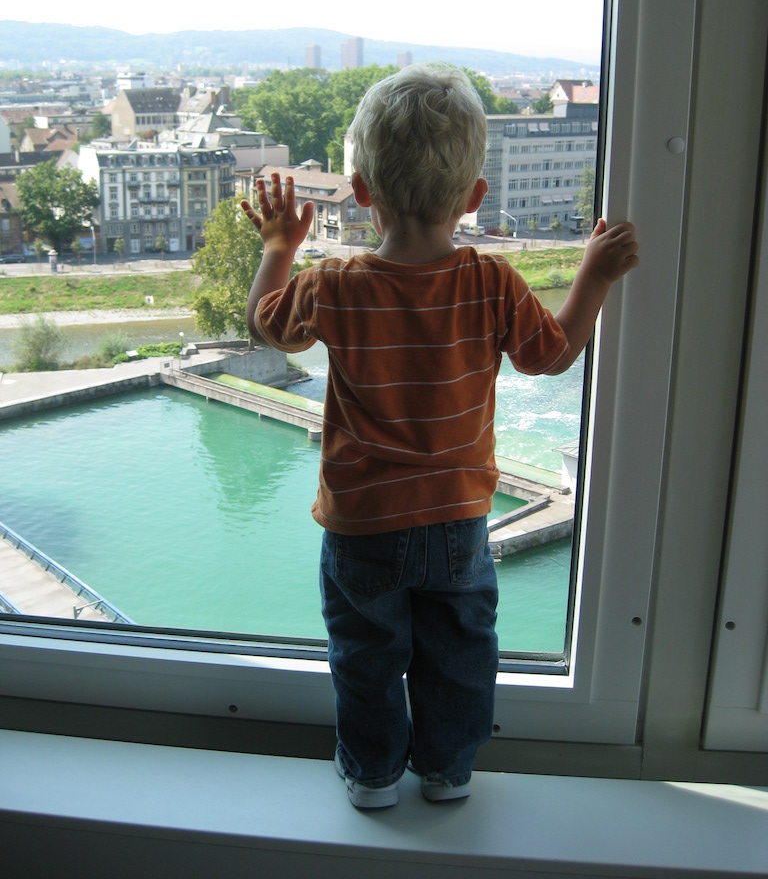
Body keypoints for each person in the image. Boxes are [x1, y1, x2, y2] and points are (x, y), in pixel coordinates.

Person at [241, 63, 639, 810]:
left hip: (363, 524)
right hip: (458, 519)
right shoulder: (492, 283)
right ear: (474, 197)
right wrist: (595, 274)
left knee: (366, 656)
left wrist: (278, 243)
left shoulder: (335, 281)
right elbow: (551, 355)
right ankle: (449, 772)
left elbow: (267, 326)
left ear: (360, 193)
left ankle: (372, 776)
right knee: (457, 658)